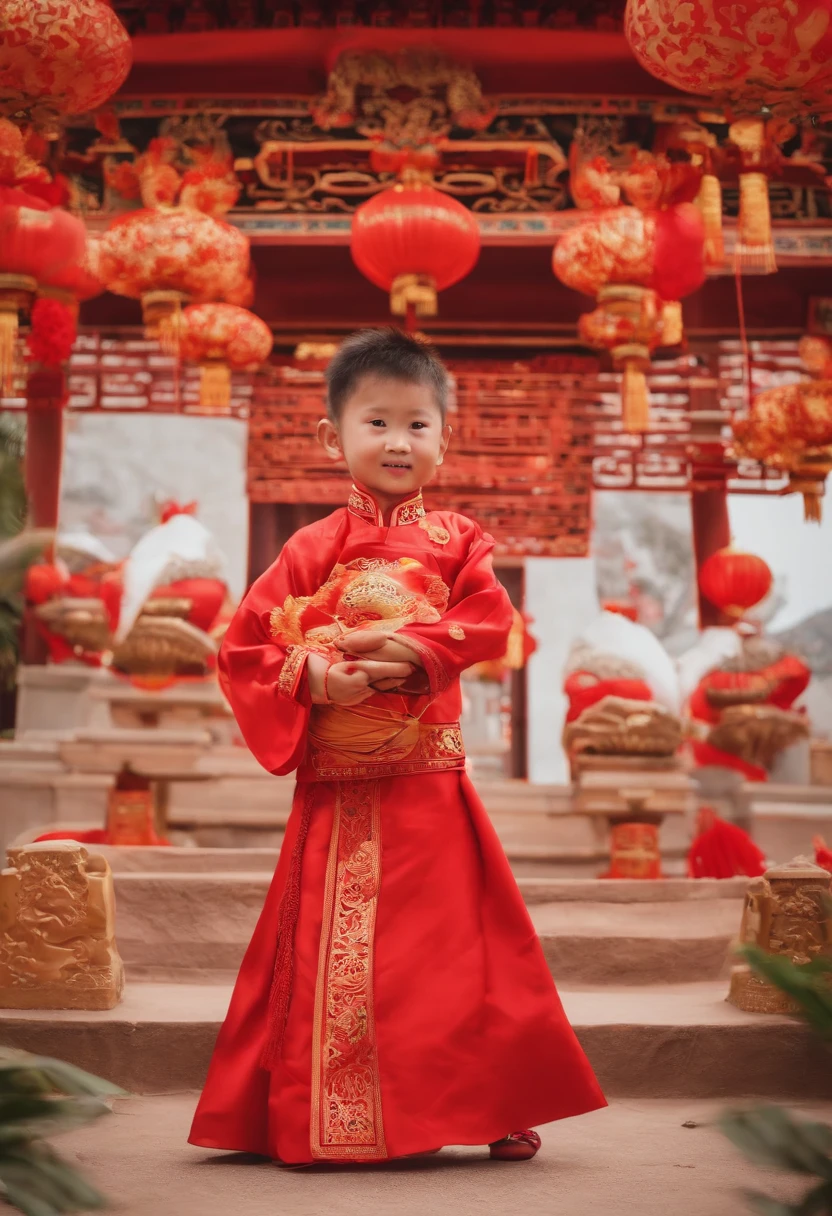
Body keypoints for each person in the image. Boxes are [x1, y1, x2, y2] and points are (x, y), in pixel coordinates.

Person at [188, 328, 606, 1166]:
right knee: (319, 952)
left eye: (418, 425)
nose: (397, 442)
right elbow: (242, 648)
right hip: (339, 792)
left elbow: (491, 620)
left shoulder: (460, 543)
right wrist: (316, 678)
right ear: (332, 437)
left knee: (462, 955)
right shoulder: (309, 548)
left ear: (444, 440)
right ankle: (316, 1113)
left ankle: (495, 1099)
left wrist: (419, 647)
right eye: (376, 422)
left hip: (429, 788)